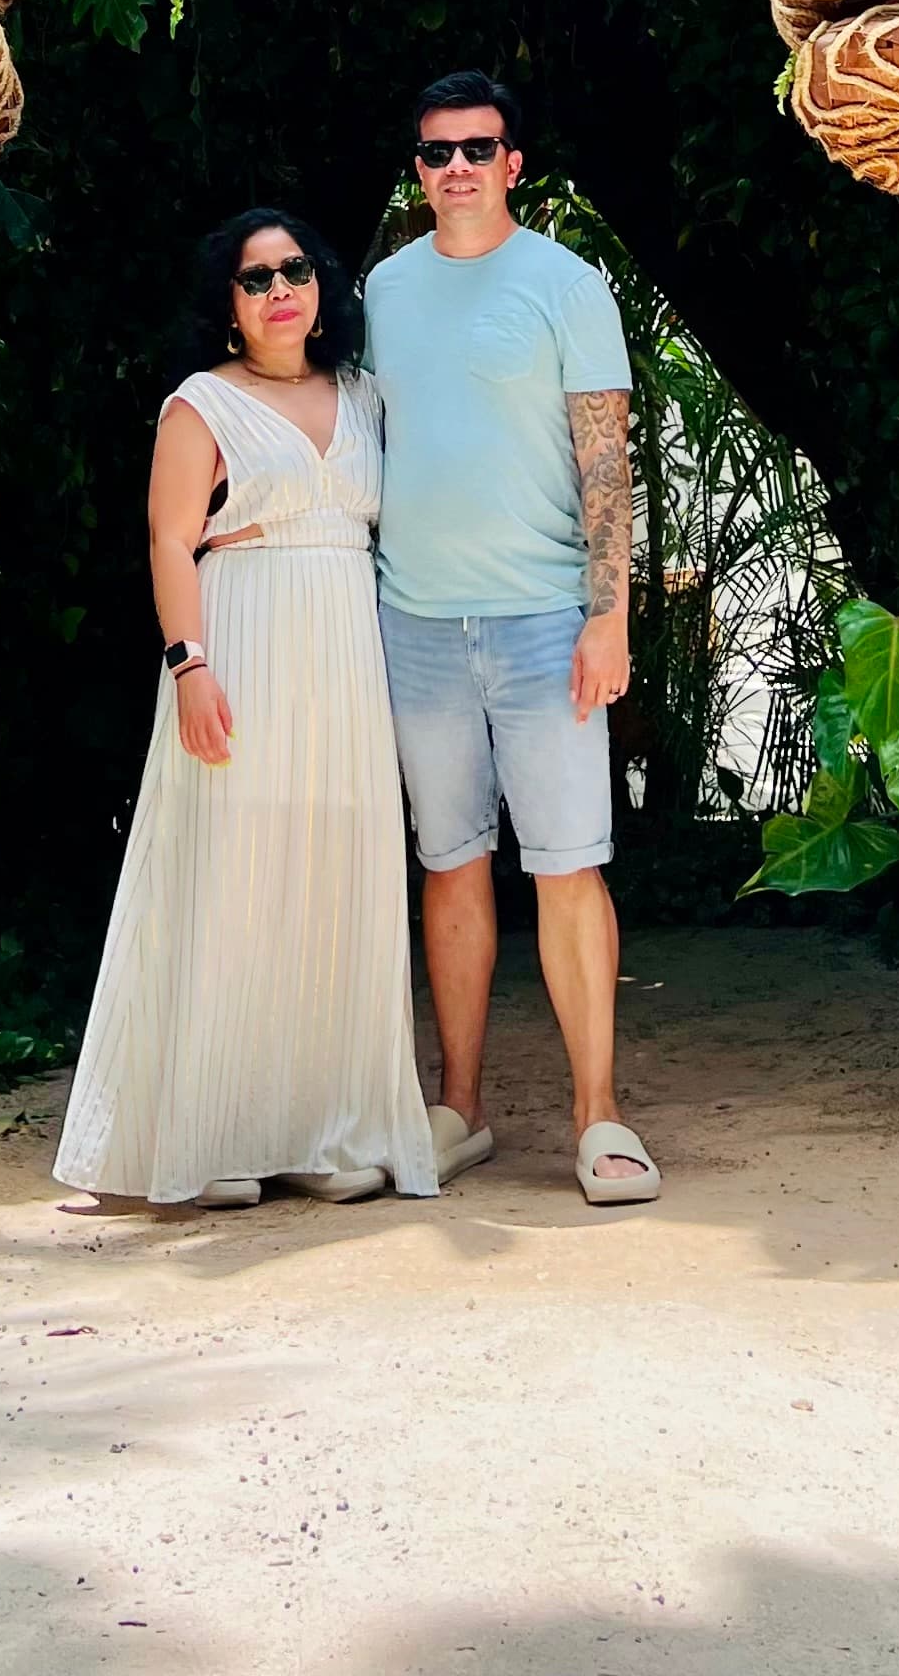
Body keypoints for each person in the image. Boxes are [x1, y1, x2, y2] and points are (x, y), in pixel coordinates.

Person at [54, 208, 440, 1212]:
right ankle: (214, 1130)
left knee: (332, 878)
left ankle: (321, 1127)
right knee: (231, 875)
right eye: (255, 278)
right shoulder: (202, 405)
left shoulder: (361, 396)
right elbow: (171, 540)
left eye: (294, 271)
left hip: (345, 654)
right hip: (240, 640)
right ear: (227, 305)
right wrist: (190, 665)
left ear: (323, 286)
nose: (279, 291)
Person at [367, 71, 660, 1208]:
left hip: (547, 624)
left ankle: (599, 1118)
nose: (456, 170)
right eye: (437, 152)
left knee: (569, 867)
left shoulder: (565, 284)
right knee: (448, 863)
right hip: (416, 621)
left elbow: (606, 462)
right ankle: (462, 1108)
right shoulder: (383, 289)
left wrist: (610, 617)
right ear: (419, 167)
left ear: (514, 164)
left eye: (477, 150)